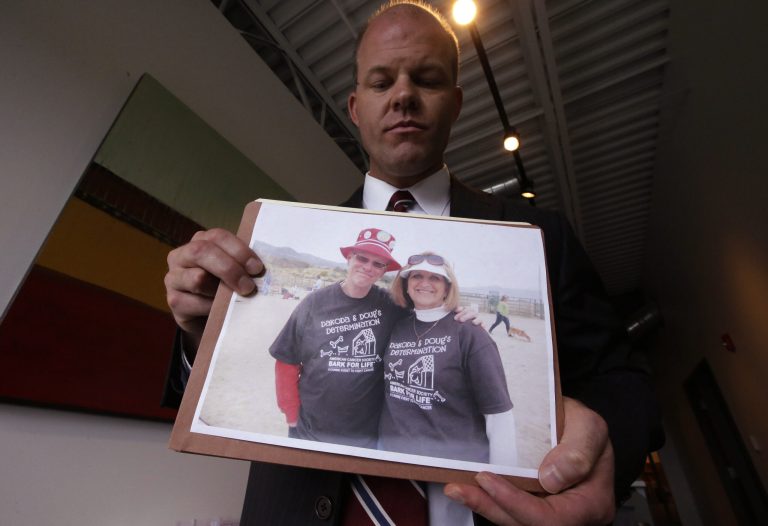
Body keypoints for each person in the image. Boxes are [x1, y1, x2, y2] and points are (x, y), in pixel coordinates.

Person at [163, 2, 663, 524]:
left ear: (455, 102)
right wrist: (200, 329)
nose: (403, 95)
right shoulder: (278, 246)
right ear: (355, 108)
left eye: (426, 79)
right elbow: (233, 376)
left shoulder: (540, 237)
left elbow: (625, 381)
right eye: (382, 83)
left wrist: (603, 444)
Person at [380, 252, 518, 525]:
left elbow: (499, 415)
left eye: (435, 278)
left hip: (450, 467)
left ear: (448, 286)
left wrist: (503, 485)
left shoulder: (469, 332)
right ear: (406, 283)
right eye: (417, 276)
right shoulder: (398, 326)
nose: (425, 283)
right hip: (392, 461)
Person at [270, 227, 406, 448]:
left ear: (383, 271)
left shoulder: (391, 305)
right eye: (362, 258)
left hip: (365, 434)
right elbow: (287, 359)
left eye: (378, 264)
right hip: (309, 429)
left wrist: (458, 312)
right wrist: (291, 414)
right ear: (349, 258)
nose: (368, 267)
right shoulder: (314, 303)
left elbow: (428, 315)